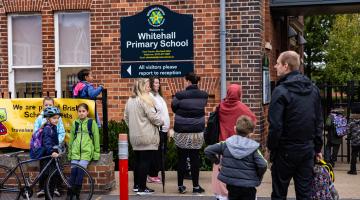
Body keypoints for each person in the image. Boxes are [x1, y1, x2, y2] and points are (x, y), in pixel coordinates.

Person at [267, 50, 323, 199]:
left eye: (278, 63)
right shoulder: (313, 89)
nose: (274, 66)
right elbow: (318, 121)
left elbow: (275, 126)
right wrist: (317, 148)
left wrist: (272, 148)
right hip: (307, 150)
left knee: (279, 193)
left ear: (286, 66)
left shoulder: (280, 91)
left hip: (285, 150)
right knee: (304, 194)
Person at [211, 84, 257, 200]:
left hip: (224, 147)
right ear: (239, 94)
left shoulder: (220, 107)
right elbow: (253, 123)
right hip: (240, 147)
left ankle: (222, 197)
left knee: (221, 177)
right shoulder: (243, 109)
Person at [205, 115, 267, 200]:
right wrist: (258, 175)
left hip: (232, 184)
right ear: (251, 133)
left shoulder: (226, 144)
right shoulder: (254, 149)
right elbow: (263, 164)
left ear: (235, 129)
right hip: (248, 185)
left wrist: (217, 161)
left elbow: (208, 150)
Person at [124, 78, 164, 195]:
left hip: (135, 136)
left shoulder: (130, 101)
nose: (149, 88)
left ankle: (136, 186)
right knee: (145, 162)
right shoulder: (145, 100)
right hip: (147, 136)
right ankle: (142, 188)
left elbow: (126, 118)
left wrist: (134, 127)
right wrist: (162, 121)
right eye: (147, 86)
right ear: (142, 87)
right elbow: (153, 117)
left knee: (138, 161)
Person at [171, 72, 208, 194]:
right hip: (197, 132)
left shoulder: (179, 95)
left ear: (187, 81)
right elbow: (200, 106)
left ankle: (181, 186)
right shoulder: (204, 95)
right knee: (195, 158)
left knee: (181, 158)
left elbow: (174, 107)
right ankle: (196, 187)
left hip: (181, 131)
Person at [67, 103, 100, 200]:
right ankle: (70, 193)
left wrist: (96, 153)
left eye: (83, 111)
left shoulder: (91, 123)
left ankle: (77, 192)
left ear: (87, 112)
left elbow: (96, 138)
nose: (81, 113)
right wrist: (70, 153)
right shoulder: (75, 123)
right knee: (73, 172)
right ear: (77, 112)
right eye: (79, 111)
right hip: (75, 152)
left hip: (86, 153)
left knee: (80, 171)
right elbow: (72, 139)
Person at [34, 97, 65, 198]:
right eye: (46, 105)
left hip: (53, 150)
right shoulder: (47, 127)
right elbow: (46, 141)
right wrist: (52, 150)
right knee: (47, 173)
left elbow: (59, 135)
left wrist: (57, 146)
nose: (56, 120)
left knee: (54, 173)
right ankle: (45, 191)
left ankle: (54, 190)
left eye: (50, 105)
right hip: (47, 151)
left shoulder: (54, 125)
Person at [147, 77, 170, 184]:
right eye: (156, 83)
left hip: (164, 129)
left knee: (162, 153)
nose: (158, 84)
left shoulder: (159, 96)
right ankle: (152, 175)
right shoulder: (150, 96)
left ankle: (155, 173)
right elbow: (153, 114)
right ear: (151, 84)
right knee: (156, 153)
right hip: (157, 129)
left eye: (158, 83)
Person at [40, 106, 62, 200]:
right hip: (47, 156)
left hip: (52, 156)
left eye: (57, 118)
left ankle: (50, 197)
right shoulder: (47, 129)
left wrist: (60, 147)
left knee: (53, 178)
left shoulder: (53, 127)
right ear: (48, 118)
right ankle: (48, 198)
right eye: (54, 118)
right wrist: (52, 151)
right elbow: (47, 143)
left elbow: (55, 142)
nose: (56, 120)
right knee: (49, 179)